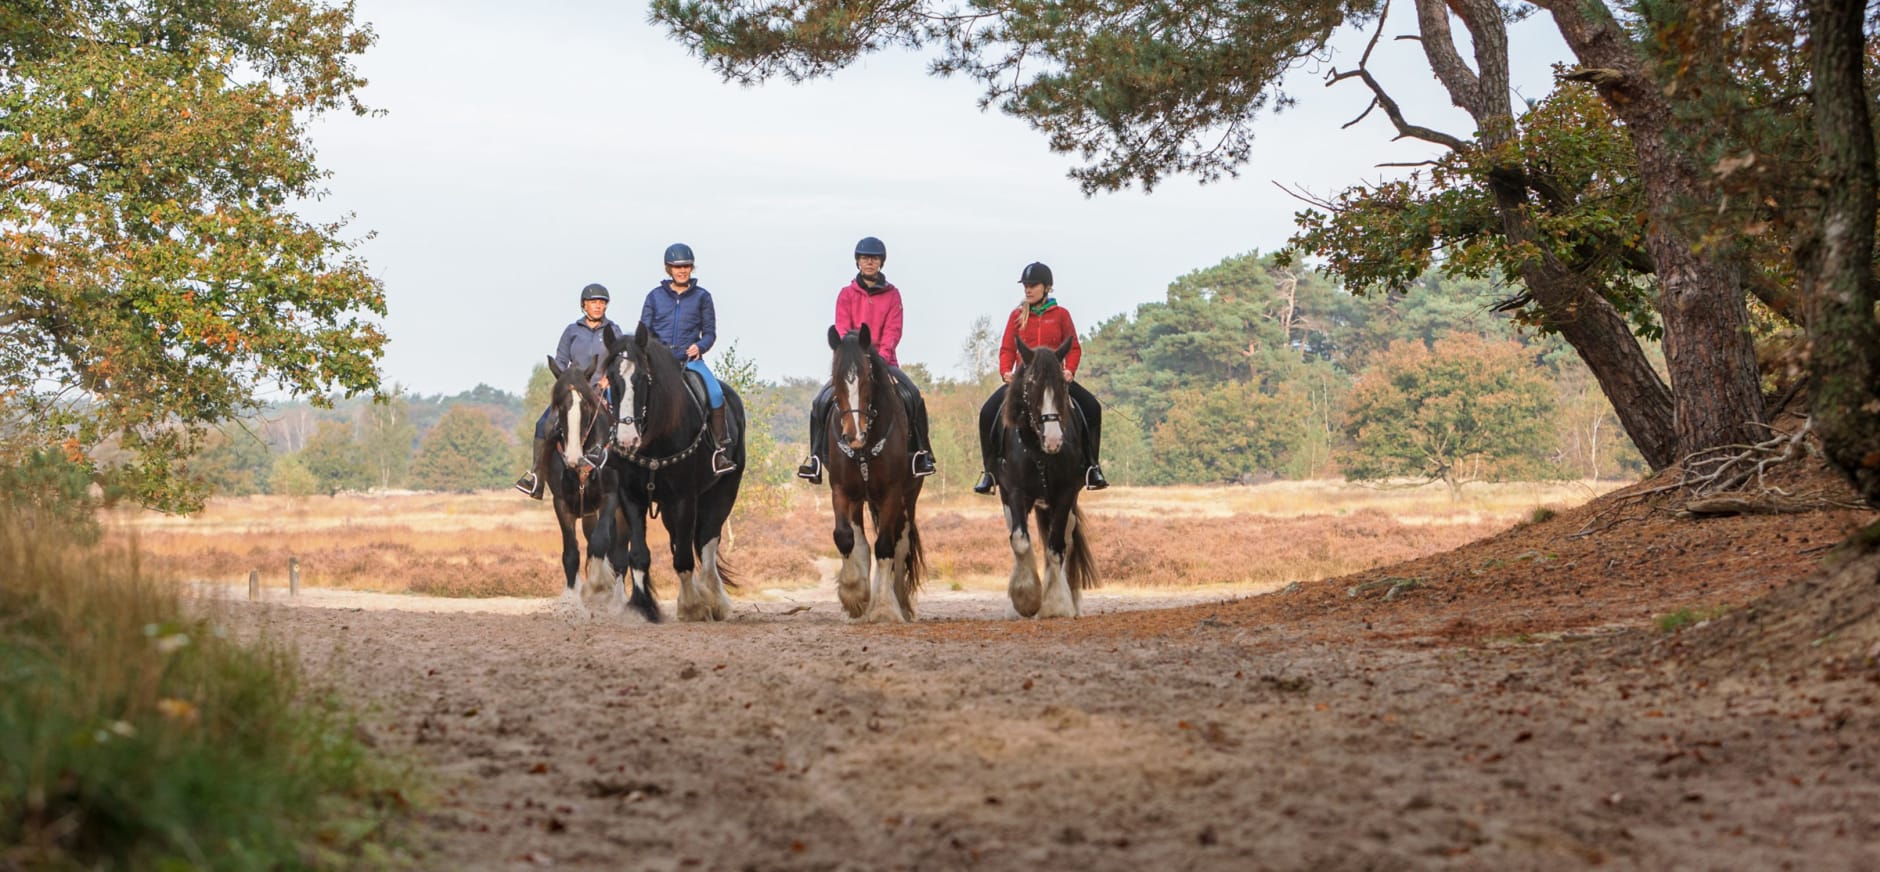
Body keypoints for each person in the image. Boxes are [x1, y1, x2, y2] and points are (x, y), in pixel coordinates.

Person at [795, 235, 937, 483]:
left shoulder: (893, 295)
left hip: (885, 363)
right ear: (858, 262)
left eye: (874, 258)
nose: (869, 262)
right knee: (819, 401)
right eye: (864, 258)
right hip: (851, 365)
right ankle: (816, 458)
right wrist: (854, 357)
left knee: (913, 395)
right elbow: (841, 327)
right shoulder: (846, 294)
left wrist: (879, 359)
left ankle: (922, 454)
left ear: (881, 262)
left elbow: (894, 330)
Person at [973, 261, 1108, 494]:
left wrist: (1070, 371)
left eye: (1033, 285)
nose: (1027, 289)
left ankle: (1091, 467)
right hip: (1023, 383)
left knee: (1092, 407)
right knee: (987, 413)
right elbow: (1006, 349)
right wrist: (1006, 371)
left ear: (1047, 287)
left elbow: (1074, 347)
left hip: (1056, 382)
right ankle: (990, 472)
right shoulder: (1016, 316)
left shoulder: (1061, 315)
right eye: (1025, 285)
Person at [515, 282, 619, 498]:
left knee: (627, 425)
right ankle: (537, 478)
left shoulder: (613, 330)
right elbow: (561, 361)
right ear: (584, 305)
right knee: (543, 423)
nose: (598, 306)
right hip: (575, 392)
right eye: (593, 302)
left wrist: (610, 377)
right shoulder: (572, 331)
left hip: (603, 391)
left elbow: (620, 359)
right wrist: (567, 382)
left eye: (602, 302)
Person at [640, 242, 737, 475]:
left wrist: (700, 346)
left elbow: (710, 333)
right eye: (677, 267)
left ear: (691, 268)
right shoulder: (654, 297)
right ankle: (620, 445)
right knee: (630, 392)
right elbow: (644, 331)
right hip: (659, 363)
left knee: (715, 393)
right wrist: (653, 353)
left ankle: (718, 451)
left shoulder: (703, 297)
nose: (682, 270)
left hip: (690, 361)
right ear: (668, 269)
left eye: (686, 266)